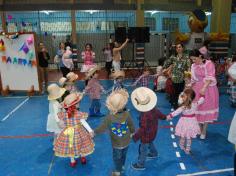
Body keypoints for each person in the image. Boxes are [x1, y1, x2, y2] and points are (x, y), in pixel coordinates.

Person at [94, 89, 135, 176]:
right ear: (124, 105)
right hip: (126, 141)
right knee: (124, 155)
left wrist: (94, 132)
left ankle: (117, 171)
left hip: (116, 143)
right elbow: (131, 125)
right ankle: (122, 166)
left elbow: (102, 128)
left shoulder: (109, 117)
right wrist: (132, 132)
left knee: (117, 157)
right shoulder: (127, 114)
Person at [54, 93, 94, 167]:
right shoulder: (79, 114)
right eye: (78, 103)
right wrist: (90, 130)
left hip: (68, 133)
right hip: (79, 132)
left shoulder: (63, 114)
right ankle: (82, 156)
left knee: (70, 146)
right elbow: (84, 123)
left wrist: (60, 134)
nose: (79, 104)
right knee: (82, 144)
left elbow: (63, 125)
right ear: (75, 105)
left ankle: (72, 161)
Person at [130, 87, 166, 170]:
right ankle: (154, 153)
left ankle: (140, 164)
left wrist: (135, 136)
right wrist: (165, 117)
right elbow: (161, 116)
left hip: (145, 135)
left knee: (143, 149)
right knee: (150, 141)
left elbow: (143, 129)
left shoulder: (145, 115)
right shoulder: (154, 109)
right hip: (153, 132)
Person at [189, 49, 219, 139]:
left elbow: (210, 77)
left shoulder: (209, 63)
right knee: (197, 108)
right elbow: (193, 79)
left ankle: (204, 131)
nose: (193, 61)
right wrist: (189, 85)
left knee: (206, 108)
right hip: (197, 89)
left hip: (208, 88)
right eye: (192, 60)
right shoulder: (193, 66)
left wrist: (204, 88)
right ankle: (200, 128)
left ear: (200, 56)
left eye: (194, 59)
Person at [167, 89, 204, 154]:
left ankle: (181, 145)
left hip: (184, 122)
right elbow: (201, 100)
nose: (182, 97)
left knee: (183, 135)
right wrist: (202, 95)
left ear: (187, 97)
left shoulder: (183, 107)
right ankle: (187, 149)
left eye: (183, 96)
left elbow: (176, 112)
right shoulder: (195, 104)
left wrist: (169, 116)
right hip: (192, 122)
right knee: (189, 137)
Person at [163, 43, 191, 109]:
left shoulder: (186, 57)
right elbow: (166, 64)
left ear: (182, 48)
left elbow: (189, 68)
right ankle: (175, 106)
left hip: (182, 78)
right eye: (177, 47)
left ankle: (180, 105)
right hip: (173, 78)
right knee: (174, 93)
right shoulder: (173, 57)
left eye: (180, 47)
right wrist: (166, 71)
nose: (178, 48)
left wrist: (187, 77)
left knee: (181, 92)